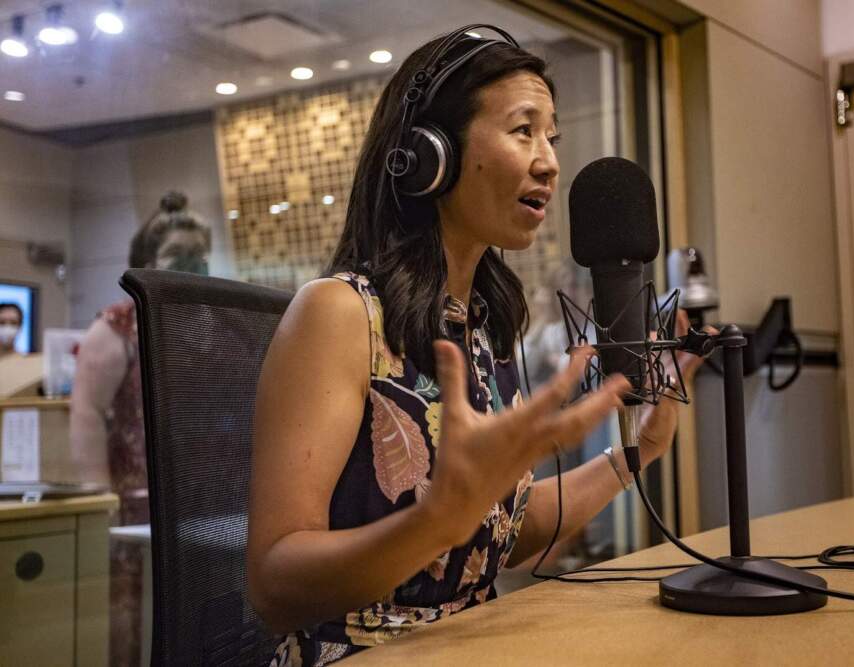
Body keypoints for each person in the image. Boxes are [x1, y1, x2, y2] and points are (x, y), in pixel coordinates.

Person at [248, 26, 706, 666]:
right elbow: (274, 585)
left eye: (552, 138)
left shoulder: (484, 328)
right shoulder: (338, 314)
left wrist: (638, 452)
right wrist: (438, 519)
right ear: (431, 155)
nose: (548, 162)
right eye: (523, 131)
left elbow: (500, 533)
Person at [69, 190, 211, 667]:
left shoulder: (205, 322)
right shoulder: (116, 328)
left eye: (199, 254)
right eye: (179, 254)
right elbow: (87, 414)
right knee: (135, 622)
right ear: (148, 261)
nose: (192, 264)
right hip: (131, 507)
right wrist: (99, 502)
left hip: (197, 501)